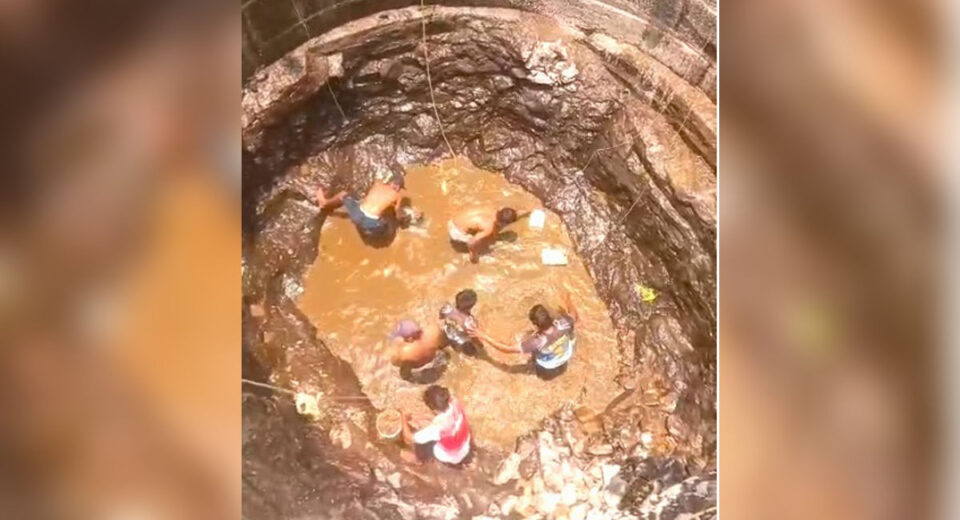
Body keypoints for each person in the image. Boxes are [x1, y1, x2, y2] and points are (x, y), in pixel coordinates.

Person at [473, 286, 579, 378]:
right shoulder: (564, 323)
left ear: (535, 324)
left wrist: (483, 336)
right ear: (549, 316)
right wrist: (568, 299)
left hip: (549, 365)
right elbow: (573, 314)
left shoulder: (537, 341)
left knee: (524, 339)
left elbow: (507, 349)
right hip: (566, 355)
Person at [316, 174, 406, 238]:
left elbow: (373, 198)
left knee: (343, 194)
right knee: (389, 227)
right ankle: (374, 235)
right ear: (398, 186)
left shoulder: (377, 184)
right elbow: (398, 215)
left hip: (357, 214)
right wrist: (403, 219)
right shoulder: (397, 195)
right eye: (400, 188)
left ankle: (325, 203)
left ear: (390, 182)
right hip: (370, 223)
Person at [400, 385, 471, 465]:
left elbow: (409, 437)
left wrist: (403, 418)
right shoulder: (455, 402)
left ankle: (419, 459)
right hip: (464, 443)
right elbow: (445, 418)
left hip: (453, 455)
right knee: (430, 432)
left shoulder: (437, 428)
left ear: (433, 408)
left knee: (422, 444)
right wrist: (420, 417)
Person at [447, 204, 519, 262]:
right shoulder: (489, 227)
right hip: (455, 231)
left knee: (488, 234)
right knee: (486, 246)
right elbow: (471, 242)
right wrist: (473, 255)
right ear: (502, 223)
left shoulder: (491, 207)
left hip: (454, 220)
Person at [438, 289, 481, 355]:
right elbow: (474, 336)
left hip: (447, 332)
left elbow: (441, 317)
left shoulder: (447, 308)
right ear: (472, 306)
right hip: (460, 341)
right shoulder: (468, 321)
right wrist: (480, 345)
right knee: (473, 352)